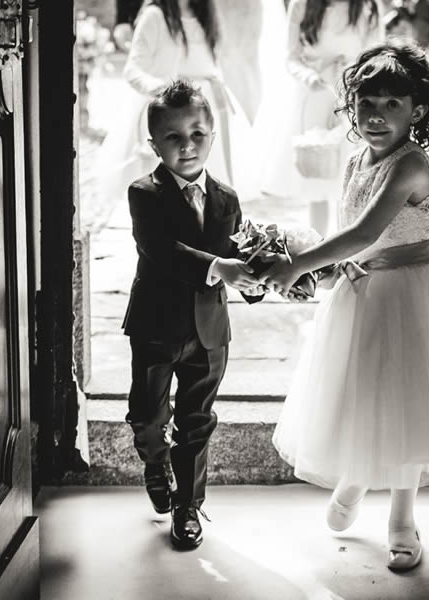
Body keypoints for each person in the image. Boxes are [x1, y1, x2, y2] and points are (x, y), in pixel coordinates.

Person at [259, 40, 429, 570]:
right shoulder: (358, 157)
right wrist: (337, 265)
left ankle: (402, 520)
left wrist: (297, 264)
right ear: (351, 104)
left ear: (417, 111)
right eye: (366, 103)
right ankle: (354, 482)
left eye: (391, 105)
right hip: (366, 291)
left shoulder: (411, 166)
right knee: (362, 395)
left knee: (409, 405)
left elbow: (361, 231)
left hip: (412, 295)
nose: (376, 116)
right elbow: (352, 233)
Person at [121, 80, 264, 550]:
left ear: (213, 134)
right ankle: (155, 461)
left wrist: (264, 276)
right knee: (146, 413)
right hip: (156, 326)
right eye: (173, 137)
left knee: (197, 420)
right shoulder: (144, 193)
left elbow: (238, 252)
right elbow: (160, 250)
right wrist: (217, 266)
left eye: (197, 134)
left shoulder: (227, 197)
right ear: (154, 144)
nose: (187, 146)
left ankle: (188, 506)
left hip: (209, 330)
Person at [96, 0, 255, 217]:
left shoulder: (207, 16)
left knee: (211, 194)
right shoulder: (155, 16)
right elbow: (133, 70)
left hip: (206, 109)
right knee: (170, 196)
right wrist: (163, 89)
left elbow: (215, 62)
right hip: (173, 110)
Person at [252, 0, 385, 236]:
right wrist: (308, 76)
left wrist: (356, 72)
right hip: (314, 96)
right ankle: (319, 246)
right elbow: (291, 56)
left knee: (353, 174)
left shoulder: (368, 7)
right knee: (319, 175)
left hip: (355, 96)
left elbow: (378, 56)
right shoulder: (303, 4)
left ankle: (350, 244)